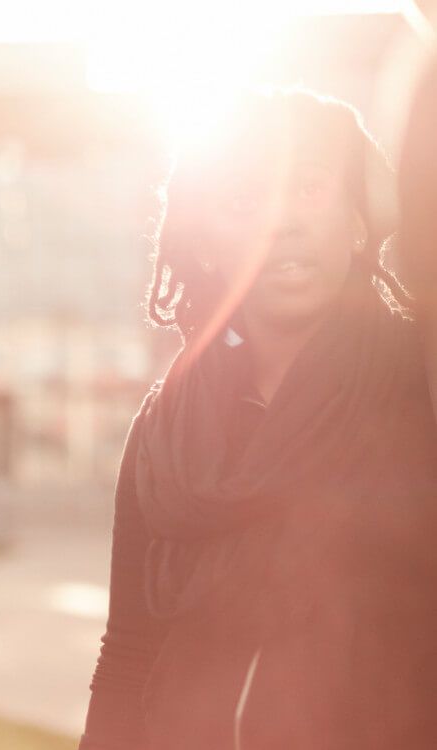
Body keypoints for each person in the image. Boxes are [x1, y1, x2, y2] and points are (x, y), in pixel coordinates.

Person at [83, 90, 437, 749]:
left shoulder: (419, 385)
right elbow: (129, 652)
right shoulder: (165, 432)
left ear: (357, 218)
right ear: (207, 242)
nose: (282, 223)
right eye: (245, 201)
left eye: (307, 188)